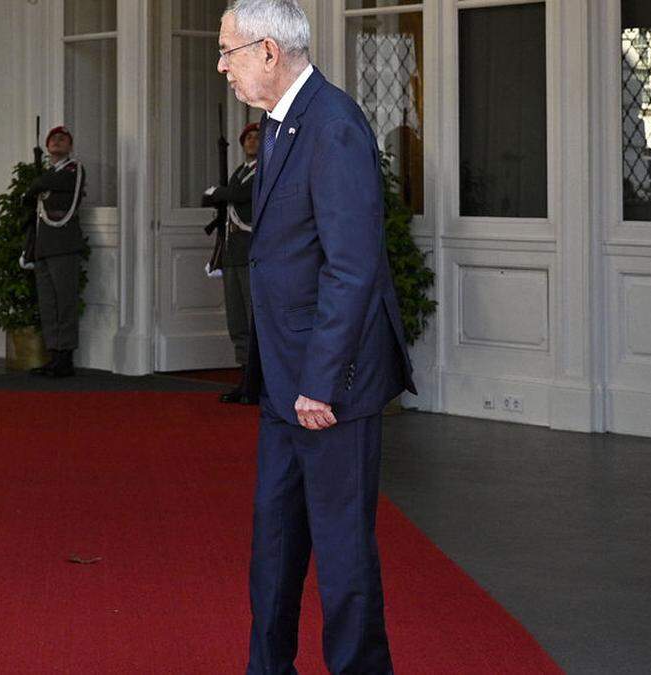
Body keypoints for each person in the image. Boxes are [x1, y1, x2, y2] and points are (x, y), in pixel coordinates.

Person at [217, 1, 416, 672]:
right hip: (283, 379)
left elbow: (353, 266)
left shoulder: (332, 126)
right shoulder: (279, 126)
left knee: (342, 556)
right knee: (272, 548)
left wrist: (319, 382)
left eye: (228, 53)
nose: (222, 67)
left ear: (268, 51)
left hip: (329, 386)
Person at [203, 122, 261, 405]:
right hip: (234, 253)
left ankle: (257, 380)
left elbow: (243, 196)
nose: (251, 141)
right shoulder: (240, 172)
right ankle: (244, 375)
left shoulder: (266, 168)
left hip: (253, 252)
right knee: (237, 319)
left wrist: (219, 193)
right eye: (248, 138)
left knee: (254, 319)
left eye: (256, 136)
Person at [24, 126, 87, 378]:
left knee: (65, 303)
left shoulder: (74, 169)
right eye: (53, 138)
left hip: (63, 244)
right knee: (49, 304)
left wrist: (36, 183)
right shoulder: (49, 173)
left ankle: (66, 357)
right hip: (44, 245)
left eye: (63, 139)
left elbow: (53, 183)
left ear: (70, 146)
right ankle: (54, 355)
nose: (57, 141)